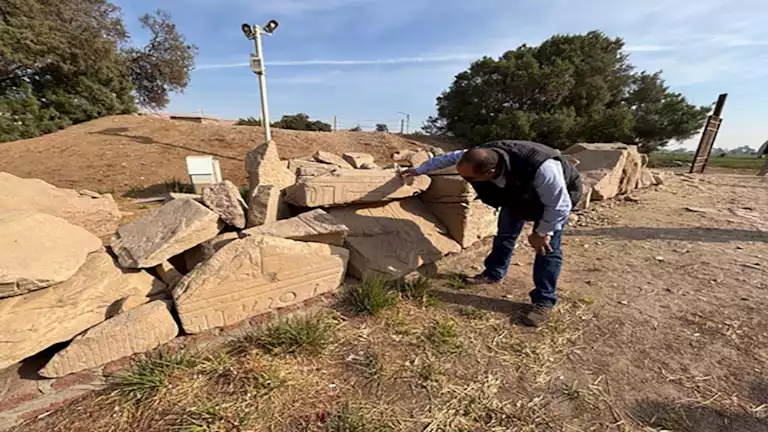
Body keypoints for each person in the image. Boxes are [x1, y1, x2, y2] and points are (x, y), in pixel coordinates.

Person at [401, 140, 581, 327]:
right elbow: (447, 158)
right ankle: (493, 273)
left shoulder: (543, 168)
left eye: (471, 178)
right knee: (504, 235)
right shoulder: (478, 155)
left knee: (546, 249)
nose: (467, 181)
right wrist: (421, 170)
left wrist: (543, 232)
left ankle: (543, 300)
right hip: (516, 194)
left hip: (554, 200)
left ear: (490, 172)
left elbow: (559, 206)